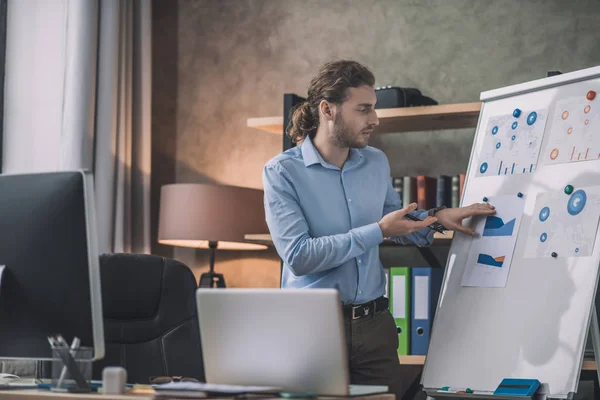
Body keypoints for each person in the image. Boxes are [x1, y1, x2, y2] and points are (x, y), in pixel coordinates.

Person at [261, 60, 495, 399]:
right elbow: (299, 256)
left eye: (374, 108)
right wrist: (377, 231)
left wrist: (437, 216)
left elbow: (394, 224)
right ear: (328, 110)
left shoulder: (375, 161)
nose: (375, 120)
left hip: (375, 327)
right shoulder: (282, 172)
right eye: (364, 109)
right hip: (312, 330)